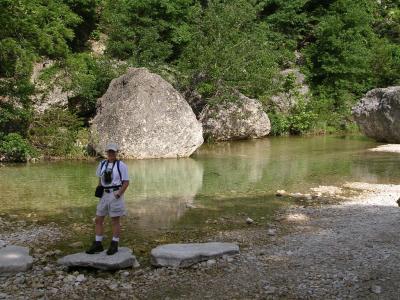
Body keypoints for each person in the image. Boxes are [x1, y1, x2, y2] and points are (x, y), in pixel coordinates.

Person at [86, 143, 129, 255]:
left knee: (115, 221)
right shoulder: (102, 164)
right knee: (98, 219)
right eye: (109, 151)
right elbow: (100, 178)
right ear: (106, 152)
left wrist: (119, 194)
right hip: (104, 194)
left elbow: (126, 182)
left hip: (115, 193)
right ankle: (98, 244)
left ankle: (114, 244)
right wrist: (99, 189)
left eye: (113, 151)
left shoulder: (121, 165)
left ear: (116, 153)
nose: (111, 153)